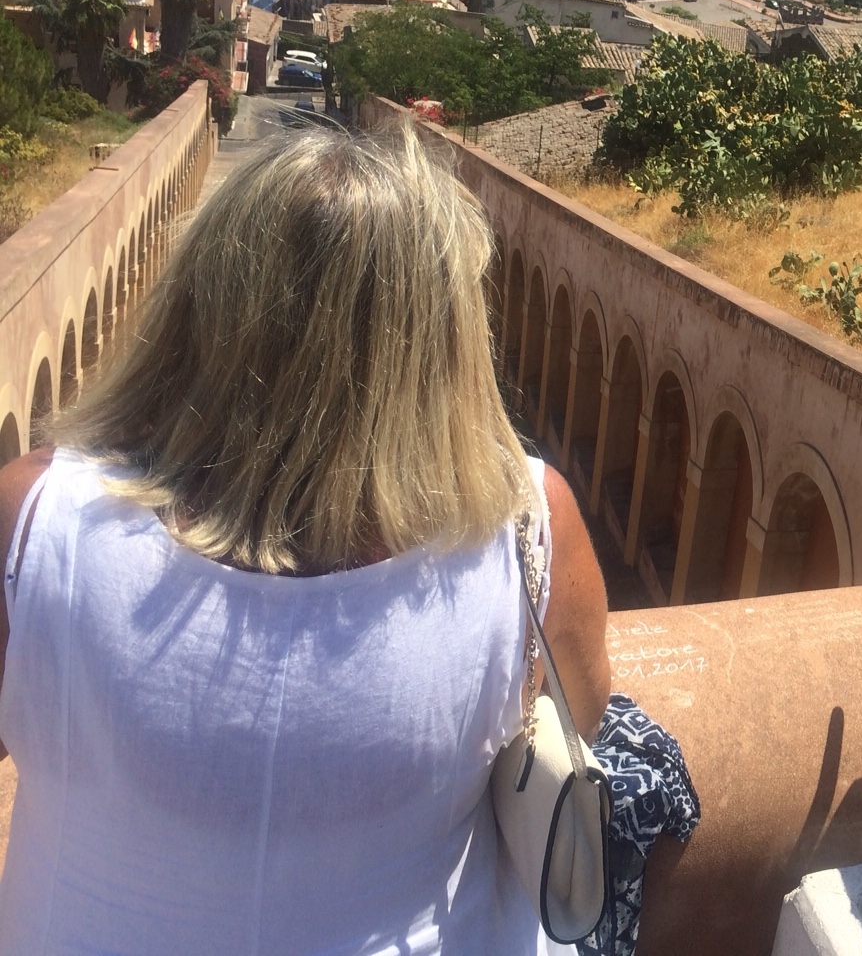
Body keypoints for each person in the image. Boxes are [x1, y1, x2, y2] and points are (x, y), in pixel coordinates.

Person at [0, 126, 611, 954]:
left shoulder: (37, 520)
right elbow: (578, 712)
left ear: (196, 303)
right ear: (445, 338)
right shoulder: (531, 525)